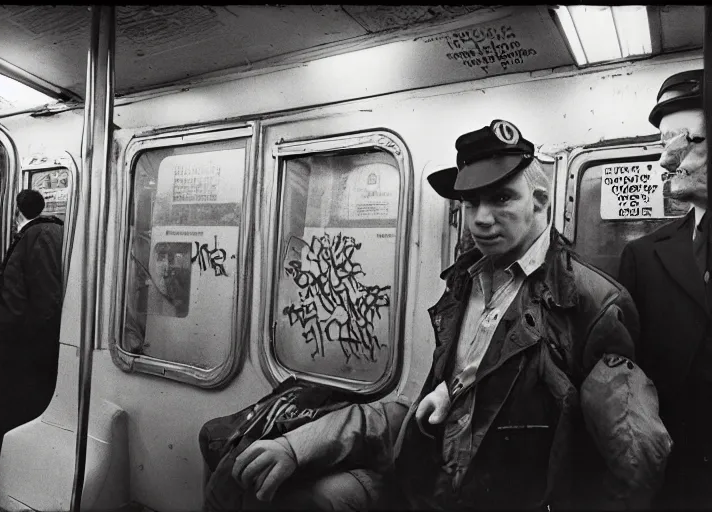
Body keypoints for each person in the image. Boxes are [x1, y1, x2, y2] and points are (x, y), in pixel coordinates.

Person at [230, 120, 671, 510]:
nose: (480, 219)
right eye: (469, 202)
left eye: (501, 197)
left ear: (539, 202)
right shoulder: (466, 280)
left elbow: (636, 452)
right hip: (430, 484)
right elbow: (434, 402)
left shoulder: (591, 303)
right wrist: (295, 446)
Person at [618, 68, 710, 509]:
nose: (665, 163)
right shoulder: (643, 256)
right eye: (663, 147)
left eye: (687, 142)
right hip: (676, 472)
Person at [0, 188, 64, 494]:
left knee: (10, 421)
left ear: (17, 211)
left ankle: (0, 486)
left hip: (19, 360)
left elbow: (47, 302)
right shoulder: (38, 235)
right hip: (15, 355)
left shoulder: (40, 236)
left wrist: (28, 353)